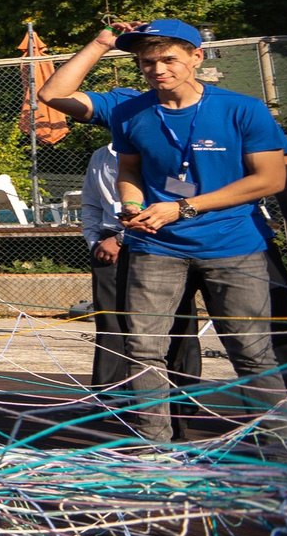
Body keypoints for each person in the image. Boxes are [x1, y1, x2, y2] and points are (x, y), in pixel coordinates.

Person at [39, 19, 287, 449]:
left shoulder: (241, 108)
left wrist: (184, 207)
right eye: (146, 62)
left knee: (251, 354)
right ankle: (155, 450)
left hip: (232, 247)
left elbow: (270, 179)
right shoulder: (129, 109)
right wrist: (133, 205)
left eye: (168, 59)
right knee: (142, 350)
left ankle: (277, 454)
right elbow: (123, 163)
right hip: (156, 248)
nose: (157, 69)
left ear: (196, 57)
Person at [82, 141, 202, 390]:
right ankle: (109, 396)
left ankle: (184, 396)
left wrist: (121, 238)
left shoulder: (164, 150)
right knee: (111, 323)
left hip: (163, 241)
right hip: (108, 245)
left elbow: (187, 197)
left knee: (178, 320)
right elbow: (91, 203)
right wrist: (95, 242)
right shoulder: (100, 156)